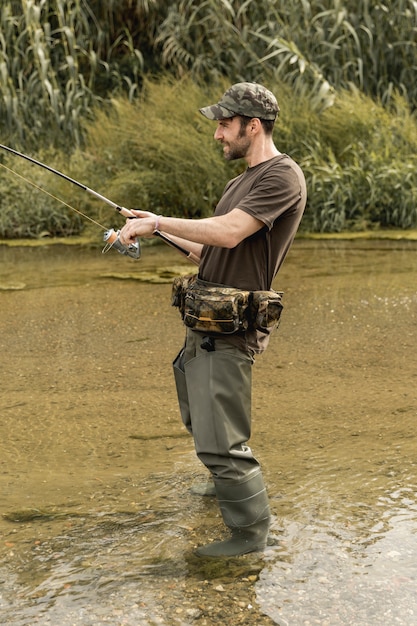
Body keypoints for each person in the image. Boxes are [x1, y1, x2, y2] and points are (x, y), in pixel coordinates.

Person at [119, 82, 307, 557]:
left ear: (253, 125)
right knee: (202, 424)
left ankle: (250, 537)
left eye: (225, 124)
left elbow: (229, 232)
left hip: (229, 333)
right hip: (202, 329)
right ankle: (222, 489)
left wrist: (159, 221)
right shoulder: (239, 181)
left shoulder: (282, 176)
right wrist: (156, 227)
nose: (218, 134)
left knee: (226, 443)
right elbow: (210, 248)